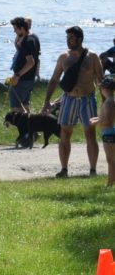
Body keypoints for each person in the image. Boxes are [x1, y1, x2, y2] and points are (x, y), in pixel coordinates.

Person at [42, 25, 103, 178]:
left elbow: (100, 81)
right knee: (65, 133)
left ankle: (93, 170)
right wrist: (47, 101)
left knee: (90, 133)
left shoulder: (92, 57)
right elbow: (54, 79)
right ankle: (64, 170)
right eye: (67, 38)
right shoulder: (64, 57)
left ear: (80, 39)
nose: (68, 40)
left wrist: (105, 103)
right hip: (69, 99)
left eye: (71, 38)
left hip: (87, 99)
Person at [6, 16, 40, 113]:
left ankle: (20, 122)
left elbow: (31, 62)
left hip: (22, 79)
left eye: (15, 29)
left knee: (16, 108)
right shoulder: (34, 38)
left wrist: (17, 75)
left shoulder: (26, 42)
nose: (14, 31)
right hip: (30, 78)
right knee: (25, 105)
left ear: (22, 28)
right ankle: (30, 122)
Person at [91, 74, 115, 187]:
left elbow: (108, 121)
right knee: (111, 160)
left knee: (111, 160)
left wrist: (97, 122)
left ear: (104, 89)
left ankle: (110, 183)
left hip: (109, 134)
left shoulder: (109, 102)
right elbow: (105, 117)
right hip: (108, 132)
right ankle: (111, 181)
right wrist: (97, 119)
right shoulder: (110, 101)